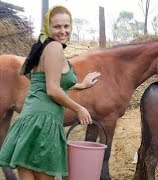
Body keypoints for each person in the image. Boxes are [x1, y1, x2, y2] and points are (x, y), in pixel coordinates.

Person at [0, 5, 100, 180]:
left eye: (66, 26)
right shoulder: (55, 48)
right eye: (57, 26)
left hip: (28, 122)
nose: (63, 31)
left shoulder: (40, 48)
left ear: (71, 26)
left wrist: (80, 85)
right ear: (48, 27)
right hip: (44, 124)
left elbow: (42, 81)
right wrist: (79, 108)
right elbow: (53, 90)